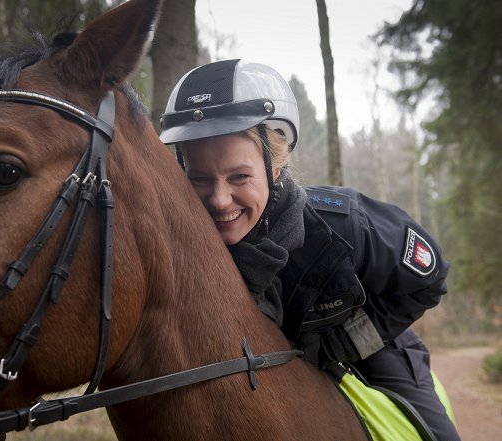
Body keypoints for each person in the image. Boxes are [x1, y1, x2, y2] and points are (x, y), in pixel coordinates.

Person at [159, 59, 460, 441]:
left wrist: (347, 342)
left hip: (371, 353)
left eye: (240, 176)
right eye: (200, 178)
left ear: (276, 167)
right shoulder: (181, 245)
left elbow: (429, 279)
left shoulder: (343, 227)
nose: (219, 200)